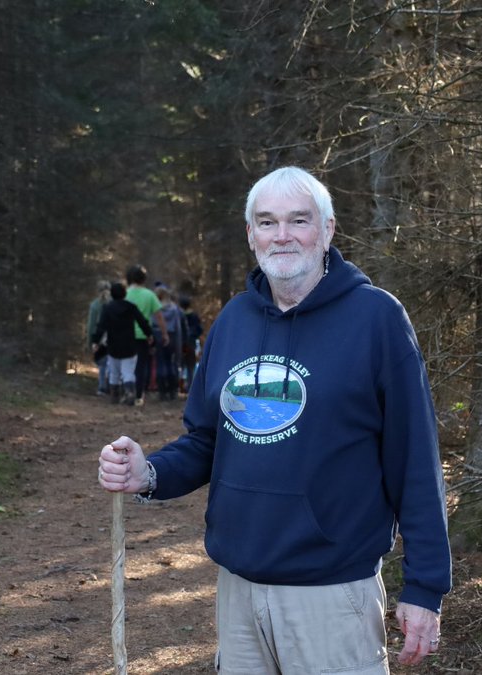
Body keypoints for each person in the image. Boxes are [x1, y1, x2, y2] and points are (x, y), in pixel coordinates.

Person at [97, 166, 451, 672]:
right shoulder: (233, 321)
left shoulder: (377, 320)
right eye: (267, 222)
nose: (282, 235)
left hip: (332, 595)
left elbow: (416, 459)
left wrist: (425, 587)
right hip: (238, 590)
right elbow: (205, 440)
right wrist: (148, 474)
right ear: (251, 235)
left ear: (327, 230)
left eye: (298, 220)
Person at [92, 282, 153, 405]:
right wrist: (149, 334)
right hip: (130, 344)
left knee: (114, 372)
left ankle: (114, 396)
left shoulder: (108, 308)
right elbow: (142, 321)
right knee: (128, 371)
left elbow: (101, 326)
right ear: (124, 294)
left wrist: (96, 341)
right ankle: (130, 392)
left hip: (113, 345)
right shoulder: (131, 307)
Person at [124, 265, 169, 405]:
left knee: (126, 365)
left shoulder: (125, 293)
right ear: (144, 279)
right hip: (143, 336)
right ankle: (138, 395)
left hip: (126, 335)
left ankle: (126, 391)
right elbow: (159, 316)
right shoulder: (150, 295)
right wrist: (164, 334)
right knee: (141, 366)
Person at [154, 285, 185, 400]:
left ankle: (162, 391)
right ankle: (173, 390)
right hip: (172, 336)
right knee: (172, 363)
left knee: (161, 363)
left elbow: (152, 323)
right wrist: (179, 343)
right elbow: (178, 327)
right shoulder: (174, 308)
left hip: (158, 335)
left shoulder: (155, 309)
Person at [86, 280, 111, 396]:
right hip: (112, 335)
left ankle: (102, 387)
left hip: (99, 336)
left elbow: (91, 325)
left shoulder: (95, 305)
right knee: (112, 362)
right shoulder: (114, 303)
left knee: (102, 363)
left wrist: (90, 341)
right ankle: (112, 385)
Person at [178, 295, 203, 394]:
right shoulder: (194, 316)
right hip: (191, 343)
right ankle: (190, 388)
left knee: (180, 366)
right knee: (190, 367)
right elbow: (199, 329)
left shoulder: (178, 315)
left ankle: (180, 387)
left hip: (180, 343)